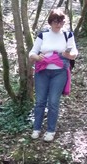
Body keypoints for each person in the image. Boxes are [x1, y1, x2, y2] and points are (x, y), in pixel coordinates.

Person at [28, 8, 78, 142]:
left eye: (61, 22)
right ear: (50, 22)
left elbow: (74, 53)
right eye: (56, 21)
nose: (58, 24)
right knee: (40, 101)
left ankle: (50, 130)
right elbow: (32, 53)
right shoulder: (43, 35)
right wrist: (37, 57)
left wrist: (68, 55)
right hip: (42, 72)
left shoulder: (68, 35)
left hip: (59, 73)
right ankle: (36, 128)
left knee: (53, 102)